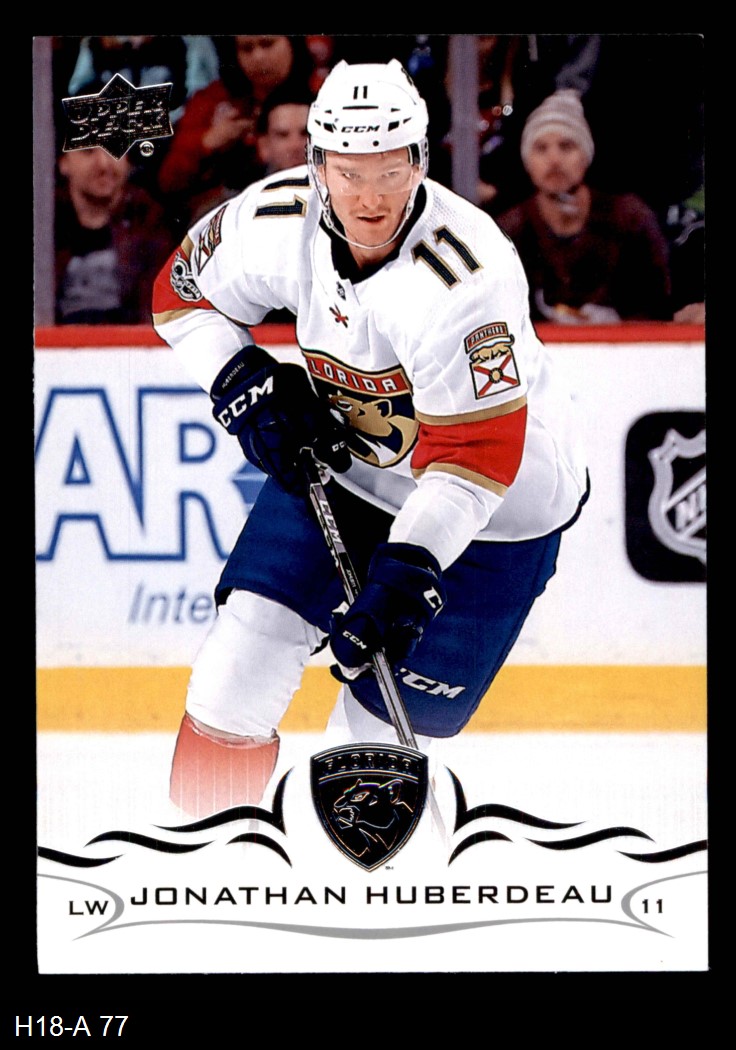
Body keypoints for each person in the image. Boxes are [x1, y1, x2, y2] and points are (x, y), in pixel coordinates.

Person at [152, 60, 588, 818]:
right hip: (351, 469)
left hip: (496, 515)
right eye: (349, 173)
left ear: (419, 162)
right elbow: (181, 294)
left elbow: (475, 458)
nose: (370, 198)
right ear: (316, 165)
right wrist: (242, 381)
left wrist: (408, 570)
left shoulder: (466, 277)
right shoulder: (273, 222)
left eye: (390, 172)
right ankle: (207, 857)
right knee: (234, 672)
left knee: (368, 757)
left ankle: (355, 890)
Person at [497, 90, 672, 323]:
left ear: (585, 155)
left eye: (566, 146)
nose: (554, 160)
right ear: (527, 161)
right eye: (541, 148)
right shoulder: (508, 231)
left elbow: (658, 306)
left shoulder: (629, 218)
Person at [157, 35, 314, 228]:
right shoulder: (211, 102)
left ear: (293, 44)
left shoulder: (326, 92)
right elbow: (168, 181)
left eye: (267, 44)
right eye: (246, 49)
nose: (258, 57)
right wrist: (207, 142)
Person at [55, 146, 172, 324]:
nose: (104, 164)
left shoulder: (149, 220)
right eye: (88, 152)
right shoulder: (45, 223)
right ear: (64, 162)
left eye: (113, 150)